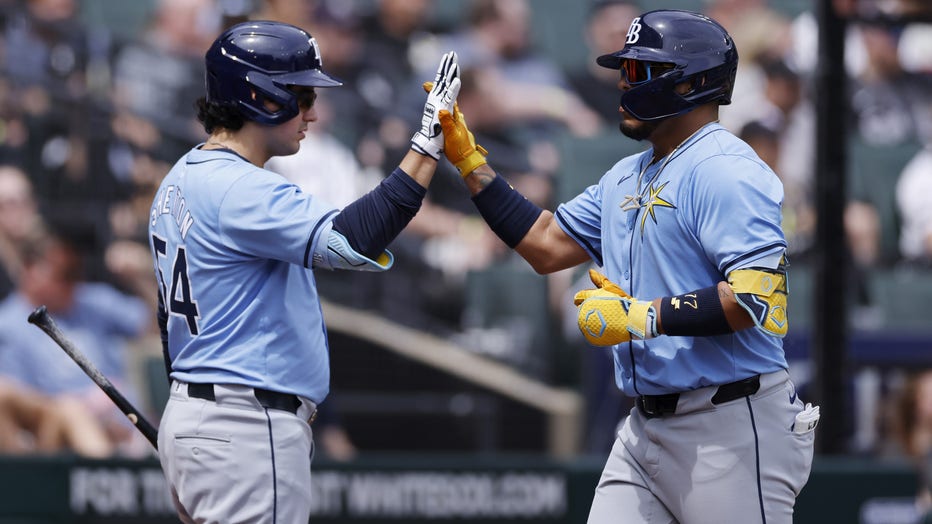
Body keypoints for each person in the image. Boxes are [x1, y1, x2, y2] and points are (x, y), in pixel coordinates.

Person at [438, 10, 817, 523]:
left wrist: (641, 317)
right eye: (626, 68)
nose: (624, 81)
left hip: (729, 426)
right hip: (645, 428)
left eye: (641, 70)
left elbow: (753, 297)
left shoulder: (728, 168)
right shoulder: (626, 175)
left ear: (693, 82)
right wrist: (470, 165)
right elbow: (545, 245)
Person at [148, 20, 459, 523]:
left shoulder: (178, 178)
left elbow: (167, 326)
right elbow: (351, 242)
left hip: (195, 416)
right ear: (258, 98)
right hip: (245, 426)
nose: (313, 112)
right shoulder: (240, 189)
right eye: (301, 96)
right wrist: (425, 148)